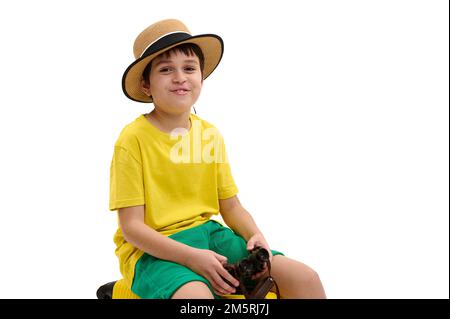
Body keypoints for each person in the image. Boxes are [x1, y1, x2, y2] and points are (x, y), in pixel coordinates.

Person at [109, 18, 326, 299]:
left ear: (201, 77)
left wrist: (255, 238)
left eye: (189, 68)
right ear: (146, 84)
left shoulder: (210, 135)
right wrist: (192, 258)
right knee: (197, 299)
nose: (180, 77)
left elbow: (231, 206)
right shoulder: (132, 139)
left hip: (209, 235)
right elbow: (132, 228)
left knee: (306, 279)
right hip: (154, 249)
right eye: (166, 70)